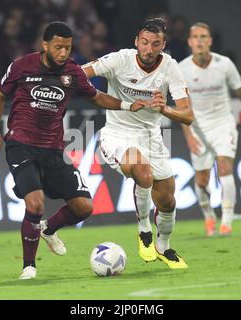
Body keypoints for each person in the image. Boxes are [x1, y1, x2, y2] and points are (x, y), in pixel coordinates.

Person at [0, 21, 149, 280]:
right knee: (35, 203)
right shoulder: (22, 66)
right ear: (45, 45)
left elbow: (96, 96)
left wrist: (129, 106)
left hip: (53, 149)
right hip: (22, 144)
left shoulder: (73, 72)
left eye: (68, 48)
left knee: (84, 207)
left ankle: (48, 229)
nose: (64, 53)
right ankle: (29, 266)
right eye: (59, 47)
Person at [82, 18, 193, 269]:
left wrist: (164, 108)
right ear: (136, 42)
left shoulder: (170, 68)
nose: (148, 49)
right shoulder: (120, 60)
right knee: (142, 170)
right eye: (144, 42)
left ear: (163, 45)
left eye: (155, 44)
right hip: (117, 134)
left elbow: (187, 115)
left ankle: (163, 247)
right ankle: (144, 230)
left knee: (168, 200)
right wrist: (90, 94)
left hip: (151, 136)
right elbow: (80, 73)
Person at [178, 22, 241, 236]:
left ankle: (226, 222)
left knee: (225, 169)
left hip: (223, 123)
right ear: (190, 42)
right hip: (198, 127)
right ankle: (209, 216)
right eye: (196, 37)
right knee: (201, 180)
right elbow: (182, 107)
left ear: (210, 41)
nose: (200, 40)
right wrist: (189, 135)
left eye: (204, 36)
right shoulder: (181, 69)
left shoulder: (224, 64)